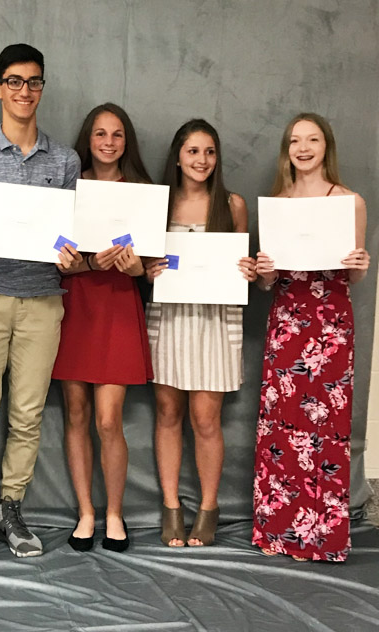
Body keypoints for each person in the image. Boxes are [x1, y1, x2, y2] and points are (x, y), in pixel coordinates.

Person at [0, 43, 81, 561]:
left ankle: (13, 507)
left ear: (41, 89)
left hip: (44, 300)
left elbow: (67, 233)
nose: (24, 91)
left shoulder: (66, 159)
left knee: (27, 415)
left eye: (33, 82)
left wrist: (70, 254)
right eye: (14, 81)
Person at [253, 113, 369, 562]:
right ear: (287, 149)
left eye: (313, 139)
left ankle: (320, 537)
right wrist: (264, 275)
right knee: (282, 426)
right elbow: (270, 281)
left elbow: (356, 275)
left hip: (331, 324)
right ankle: (278, 533)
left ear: (326, 146)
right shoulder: (278, 203)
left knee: (325, 429)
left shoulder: (349, 201)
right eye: (296, 140)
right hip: (287, 321)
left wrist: (360, 261)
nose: (304, 148)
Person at [144, 119, 257, 548]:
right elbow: (143, 261)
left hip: (215, 320)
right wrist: (150, 268)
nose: (202, 160)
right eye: (193, 151)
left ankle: (209, 508)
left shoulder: (232, 204)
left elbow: (241, 269)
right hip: (169, 316)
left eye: (209, 152)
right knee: (168, 414)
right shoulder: (159, 206)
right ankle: (172, 507)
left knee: (206, 419)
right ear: (178, 156)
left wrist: (246, 271)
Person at [52, 103, 153, 553]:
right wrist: (79, 261)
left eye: (116, 134)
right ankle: (86, 513)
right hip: (75, 306)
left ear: (126, 141)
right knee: (76, 415)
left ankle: (114, 512)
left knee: (109, 420)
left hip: (117, 307)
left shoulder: (144, 193)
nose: (108, 142)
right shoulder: (68, 190)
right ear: (88, 140)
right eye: (99, 134)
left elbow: (154, 267)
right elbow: (54, 252)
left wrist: (134, 269)